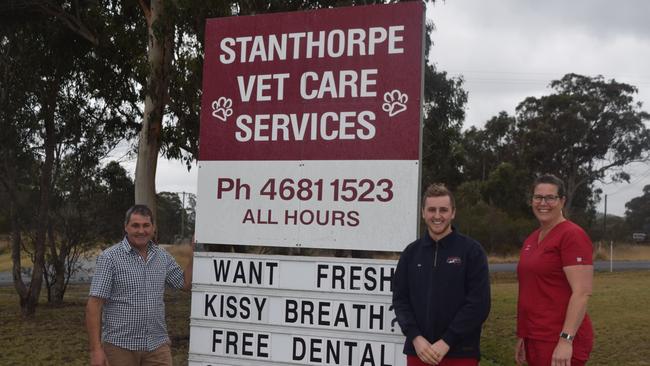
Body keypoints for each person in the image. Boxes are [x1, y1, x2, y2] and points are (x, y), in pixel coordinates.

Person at [392, 183, 491, 366]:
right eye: (431, 210)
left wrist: (447, 341)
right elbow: (400, 300)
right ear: (423, 213)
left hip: (461, 353)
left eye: (443, 210)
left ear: (453, 212)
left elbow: (479, 304)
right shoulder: (411, 253)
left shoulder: (472, 251)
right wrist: (415, 337)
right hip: (419, 352)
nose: (437, 216)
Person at [85, 204, 194, 366]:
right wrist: (96, 350)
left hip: (157, 346)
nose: (141, 231)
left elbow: (185, 284)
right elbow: (94, 306)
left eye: (146, 225)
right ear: (126, 227)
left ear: (153, 228)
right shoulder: (110, 258)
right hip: (119, 348)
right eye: (135, 225)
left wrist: (194, 254)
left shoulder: (162, 257)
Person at [515, 174, 594, 366]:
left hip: (559, 339)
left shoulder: (572, 235)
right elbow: (530, 289)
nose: (543, 203)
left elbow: (582, 292)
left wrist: (566, 340)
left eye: (550, 197)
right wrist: (523, 335)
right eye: (538, 197)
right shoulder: (532, 238)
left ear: (562, 201)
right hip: (535, 336)